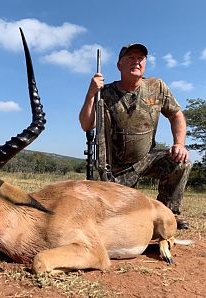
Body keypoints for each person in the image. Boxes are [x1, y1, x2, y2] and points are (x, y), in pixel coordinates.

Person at [79, 43, 192, 230]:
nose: (136, 62)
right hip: (116, 170)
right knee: (112, 218)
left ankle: (168, 213)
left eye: (140, 58)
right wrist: (91, 94)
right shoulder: (104, 93)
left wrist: (179, 144)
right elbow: (86, 124)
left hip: (147, 158)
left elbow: (176, 115)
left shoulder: (157, 86)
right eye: (130, 58)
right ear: (119, 65)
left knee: (181, 161)